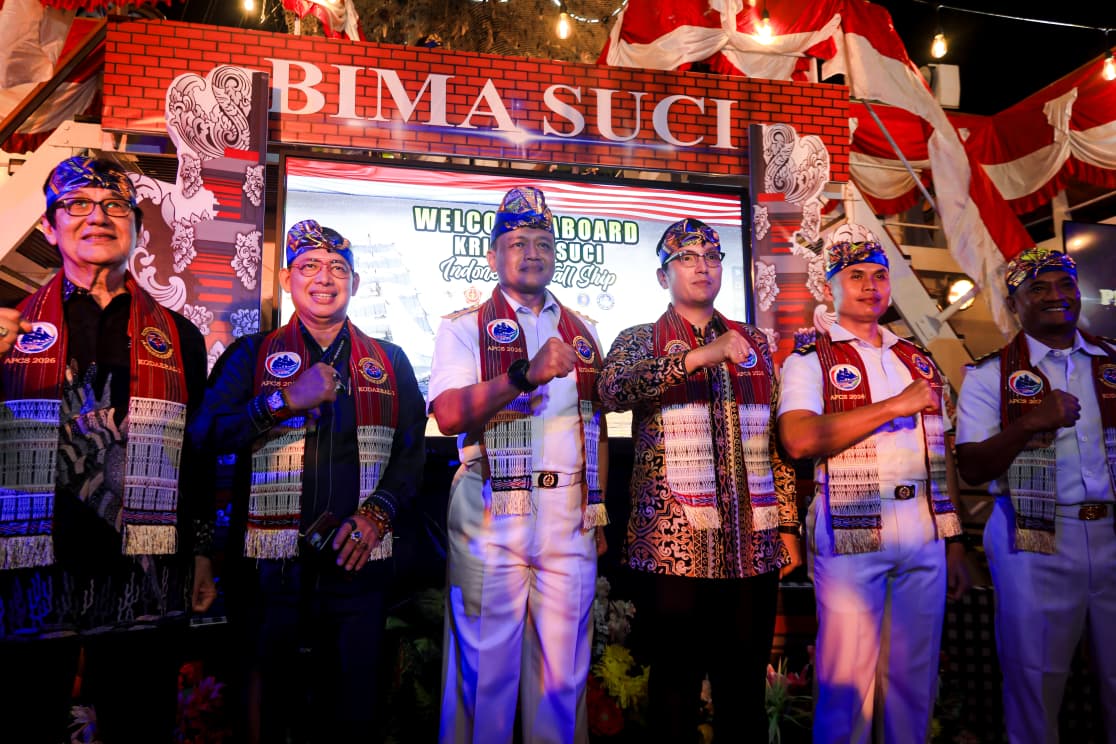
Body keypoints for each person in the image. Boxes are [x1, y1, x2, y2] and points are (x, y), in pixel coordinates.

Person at [0, 155, 215, 743]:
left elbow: (193, 450)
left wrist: (201, 551)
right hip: (34, 563)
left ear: (139, 231)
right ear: (49, 229)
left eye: (115, 206)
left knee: (141, 722)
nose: (97, 216)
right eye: (77, 204)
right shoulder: (11, 322)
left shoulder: (178, 334)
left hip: (144, 567)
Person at [189, 219, 426, 743]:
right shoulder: (251, 354)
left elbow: (412, 453)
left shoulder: (390, 361)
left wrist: (376, 515)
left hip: (357, 562)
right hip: (269, 572)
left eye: (338, 268)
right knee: (264, 709)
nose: (324, 278)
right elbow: (205, 434)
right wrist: (284, 400)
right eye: (309, 266)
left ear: (355, 283)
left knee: (352, 712)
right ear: (285, 278)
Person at [597, 218, 801, 741]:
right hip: (672, 547)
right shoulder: (639, 339)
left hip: (752, 544)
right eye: (686, 259)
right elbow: (613, 390)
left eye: (711, 257)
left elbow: (773, 441)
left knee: (744, 690)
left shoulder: (754, 342)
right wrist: (698, 358)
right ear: (663, 276)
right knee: (674, 687)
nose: (702, 267)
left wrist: (788, 526)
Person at [777, 224, 969, 744]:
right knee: (847, 683)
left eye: (879, 276)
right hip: (851, 531)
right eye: (856, 275)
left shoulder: (915, 357)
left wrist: (954, 540)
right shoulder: (809, 358)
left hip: (923, 528)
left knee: (914, 684)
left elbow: (940, 454)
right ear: (829, 287)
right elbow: (798, 439)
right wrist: (894, 405)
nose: (870, 286)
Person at [430, 186, 608, 744]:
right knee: (484, 672)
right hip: (490, 504)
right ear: (492, 257)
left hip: (569, 512)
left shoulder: (583, 330)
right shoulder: (462, 326)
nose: (533, 252)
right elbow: (448, 415)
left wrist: (598, 510)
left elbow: (595, 424)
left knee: (563, 676)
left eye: (543, 242)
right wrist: (522, 376)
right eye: (517, 242)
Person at [955, 247, 1116, 744]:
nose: (1056, 296)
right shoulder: (989, 375)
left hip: (1113, 534)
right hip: (1034, 539)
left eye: (1065, 284)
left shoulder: (1112, 361)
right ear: (1014, 303)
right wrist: (1030, 422)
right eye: (1038, 288)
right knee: (1035, 680)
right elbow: (973, 467)